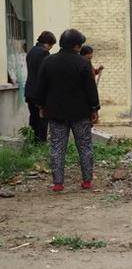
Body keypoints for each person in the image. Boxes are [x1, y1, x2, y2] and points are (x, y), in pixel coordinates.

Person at [34, 29, 100, 192]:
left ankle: (58, 183)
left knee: (57, 147)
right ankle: (87, 181)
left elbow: (41, 87)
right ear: (76, 46)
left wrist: (41, 106)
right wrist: (94, 108)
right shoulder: (83, 63)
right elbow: (91, 89)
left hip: (56, 113)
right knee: (84, 146)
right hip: (80, 114)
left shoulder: (48, 62)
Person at [25, 31, 56, 143]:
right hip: (39, 93)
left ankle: (32, 142)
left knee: (33, 119)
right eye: (51, 46)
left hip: (29, 91)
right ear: (47, 43)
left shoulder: (31, 51)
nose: (50, 49)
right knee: (42, 120)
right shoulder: (44, 53)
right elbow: (45, 75)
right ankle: (40, 144)